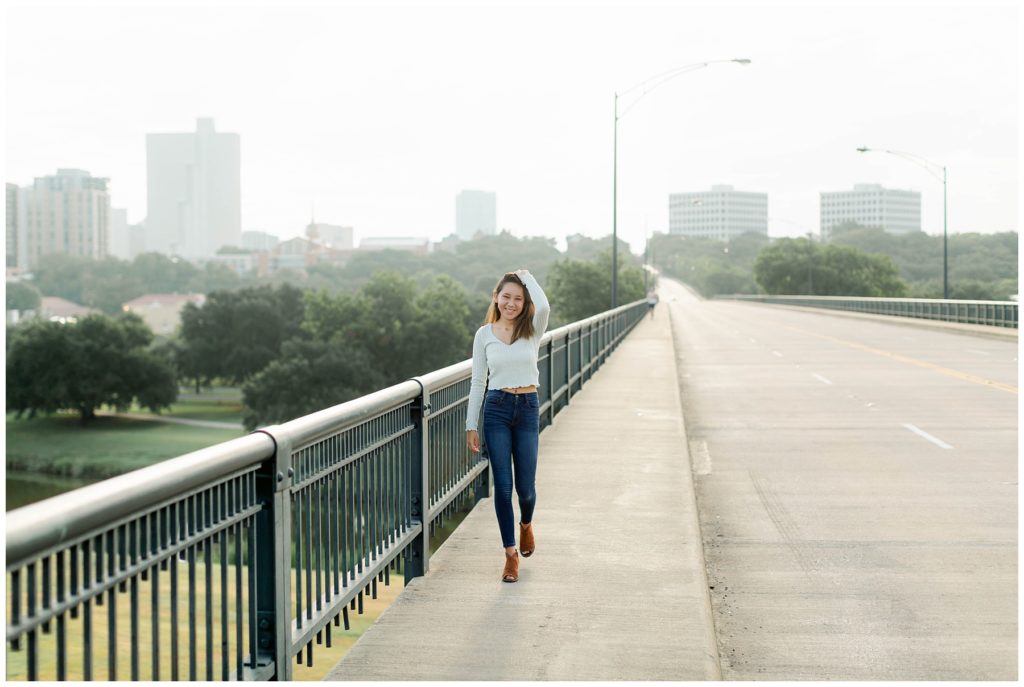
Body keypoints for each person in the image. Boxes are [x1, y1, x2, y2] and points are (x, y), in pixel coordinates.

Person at [465, 269, 550, 583]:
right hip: (497, 411)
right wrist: (471, 424)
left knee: (525, 490)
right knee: (502, 488)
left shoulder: (532, 330)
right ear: (496, 298)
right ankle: (510, 556)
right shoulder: (484, 334)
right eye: (506, 297)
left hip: (527, 410)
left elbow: (544, 308)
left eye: (517, 298)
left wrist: (527, 277)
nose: (511, 303)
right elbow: (478, 382)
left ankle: (526, 524)